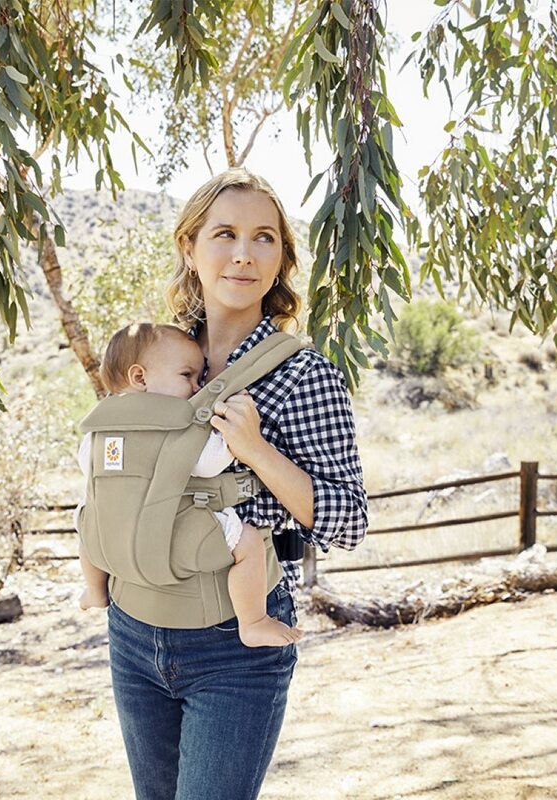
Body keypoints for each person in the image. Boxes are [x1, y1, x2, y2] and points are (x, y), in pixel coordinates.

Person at [104, 168, 368, 800]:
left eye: (264, 238)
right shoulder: (152, 356)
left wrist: (256, 451)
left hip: (235, 643)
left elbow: (349, 520)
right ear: (190, 247)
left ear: (281, 260)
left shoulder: (304, 375)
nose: (244, 254)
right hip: (134, 626)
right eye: (224, 234)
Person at [75, 321, 305, 648]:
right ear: (140, 377)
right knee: (248, 542)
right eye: (187, 376)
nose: (197, 388)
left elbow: (88, 467)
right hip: (170, 533)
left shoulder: (99, 426)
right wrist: (235, 435)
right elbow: (208, 464)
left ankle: (95, 590)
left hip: (113, 537)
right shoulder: (174, 425)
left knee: (85, 519)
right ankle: (253, 621)